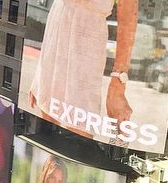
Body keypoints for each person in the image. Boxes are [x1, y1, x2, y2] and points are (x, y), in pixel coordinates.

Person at [27, 0, 137, 145]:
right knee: (47, 137)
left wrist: (118, 85)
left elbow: (128, 12)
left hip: (88, 38)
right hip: (57, 24)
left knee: (79, 136)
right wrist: (39, 73)